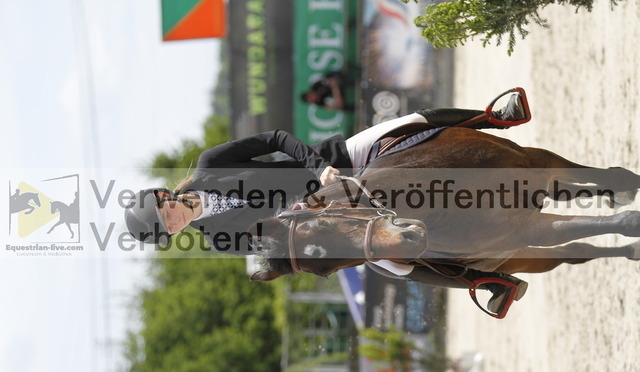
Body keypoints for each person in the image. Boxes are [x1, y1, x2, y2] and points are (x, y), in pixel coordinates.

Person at [125, 93, 528, 312]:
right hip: (336, 218)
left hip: (337, 166)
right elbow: (279, 243)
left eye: (166, 215)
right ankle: (485, 282)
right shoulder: (219, 240)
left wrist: (319, 168)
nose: (175, 223)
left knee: (404, 125)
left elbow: (276, 139)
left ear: (164, 196)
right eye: (169, 230)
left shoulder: (212, 164)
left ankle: (493, 116)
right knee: (394, 263)